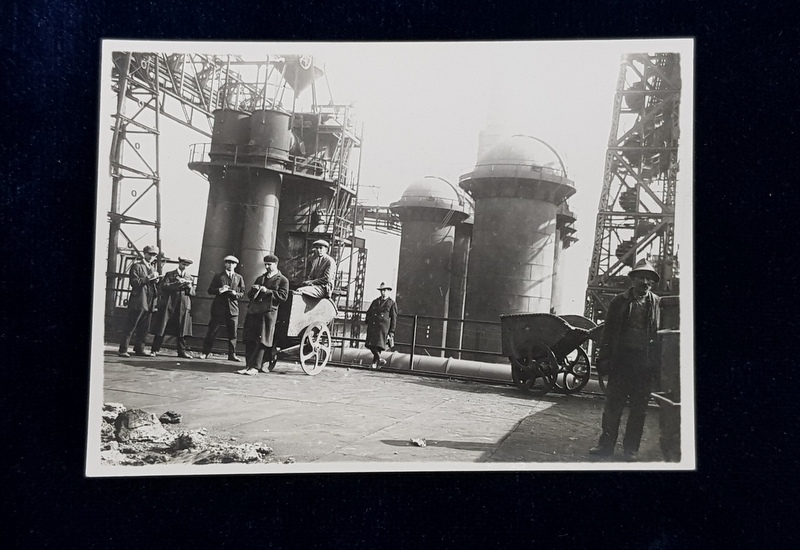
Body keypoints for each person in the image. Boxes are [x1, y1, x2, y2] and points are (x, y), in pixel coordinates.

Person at [590, 258, 662, 462]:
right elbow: (608, 332)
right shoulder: (618, 302)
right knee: (613, 406)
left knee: (639, 409)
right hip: (621, 362)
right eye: (642, 278)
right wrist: (604, 357)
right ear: (633, 279)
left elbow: (661, 336)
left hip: (644, 364)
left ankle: (631, 450)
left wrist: (658, 364)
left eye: (649, 279)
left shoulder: (657, 303)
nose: (646, 282)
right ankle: (605, 446)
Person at [238, 254, 289, 376]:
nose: (267, 267)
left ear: (276, 264)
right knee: (250, 338)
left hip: (268, 313)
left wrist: (268, 291)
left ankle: (256, 367)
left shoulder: (282, 280)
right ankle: (248, 366)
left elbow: (283, 297)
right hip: (255, 311)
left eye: (269, 265)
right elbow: (250, 295)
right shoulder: (260, 278)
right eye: (265, 264)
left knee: (262, 340)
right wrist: (254, 289)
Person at [118, 245, 161, 357]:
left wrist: (155, 281)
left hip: (149, 301)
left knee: (144, 328)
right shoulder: (136, 266)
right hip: (139, 301)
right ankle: (123, 350)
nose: (152, 257)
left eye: (154, 255)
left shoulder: (152, 268)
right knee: (131, 326)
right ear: (145, 253)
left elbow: (152, 285)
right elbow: (134, 283)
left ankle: (139, 349)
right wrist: (149, 278)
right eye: (150, 254)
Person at [200, 255, 245, 362]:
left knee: (233, 334)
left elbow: (242, 293)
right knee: (212, 331)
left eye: (232, 263)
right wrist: (220, 289)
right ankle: (205, 352)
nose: (230, 265)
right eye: (228, 263)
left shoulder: (239, 277)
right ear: (225, 264)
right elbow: (210, 290)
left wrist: (235, 293)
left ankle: (232, 354)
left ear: (236, 265)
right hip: (218, 308)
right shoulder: (218, 276)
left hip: (233, 309)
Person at [151, 256, 196, 359]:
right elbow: (164, 286)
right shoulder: (170, 274)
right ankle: (154, 349)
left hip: (183, 305)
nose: (184, 267)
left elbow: (193, 293)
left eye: (186, 265)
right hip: (170, 303)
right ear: (179, 263)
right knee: (162, 326)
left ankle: (181, 351)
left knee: (182, 328)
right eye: (183, 264)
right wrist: (177, 283)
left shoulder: (189, 277)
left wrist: (189, 288)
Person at [364, 282, 398, 369]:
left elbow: (394, 318)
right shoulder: (375, 301)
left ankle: (375, 363)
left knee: (378, 345)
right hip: (373, 326)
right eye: (382, 290)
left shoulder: (391, 303)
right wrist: (368, 320)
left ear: (389, 291)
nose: (383, 292)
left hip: (382, 328)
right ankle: (379, 360)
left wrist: (391, 331)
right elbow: (369, 312)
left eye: (385, 290)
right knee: (370, 344)